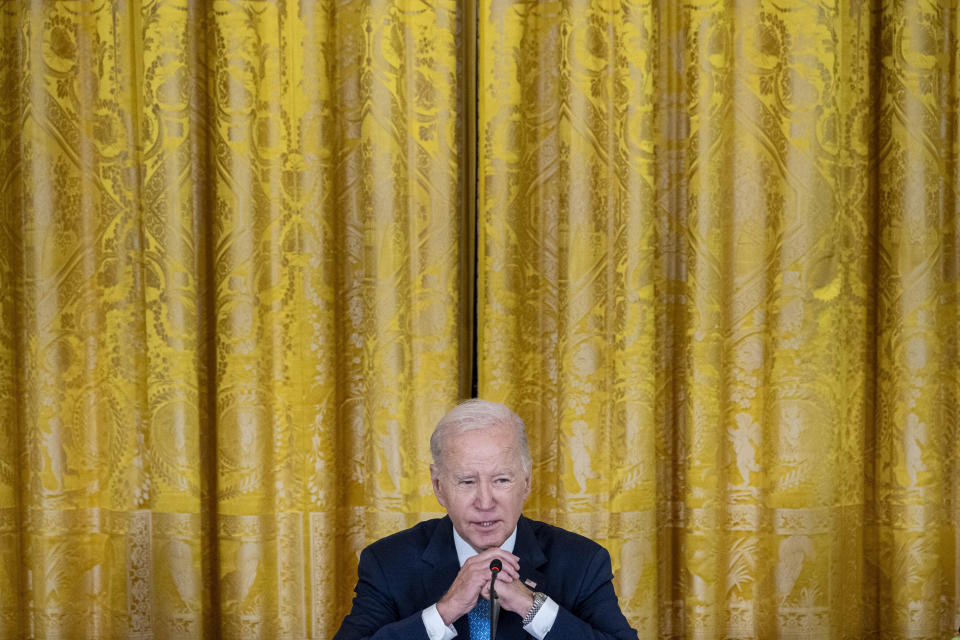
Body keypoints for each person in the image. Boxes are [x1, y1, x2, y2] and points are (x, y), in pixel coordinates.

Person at [333, 399, 638, 640]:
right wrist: (445, 611)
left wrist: (531, 607)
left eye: (502, 480)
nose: (485, 501)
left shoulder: (582, 562)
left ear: (527, 481)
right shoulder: (387, 563)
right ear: (439, 487)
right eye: (466, 482)